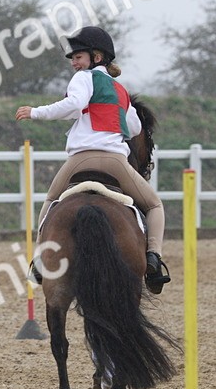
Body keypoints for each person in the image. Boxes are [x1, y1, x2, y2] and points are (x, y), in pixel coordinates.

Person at [15, 26, 170, 294]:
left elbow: (75, 105)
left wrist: (36, 112)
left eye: (78, 57)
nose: (74, 63)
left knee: (51, 202)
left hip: (80, 161)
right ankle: (154, 259)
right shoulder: (119, 90)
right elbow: (134, 128)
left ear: (96, 57)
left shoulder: (82, 79)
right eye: (72, 59)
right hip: (116, 163)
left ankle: (40, 261)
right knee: (155, 205)